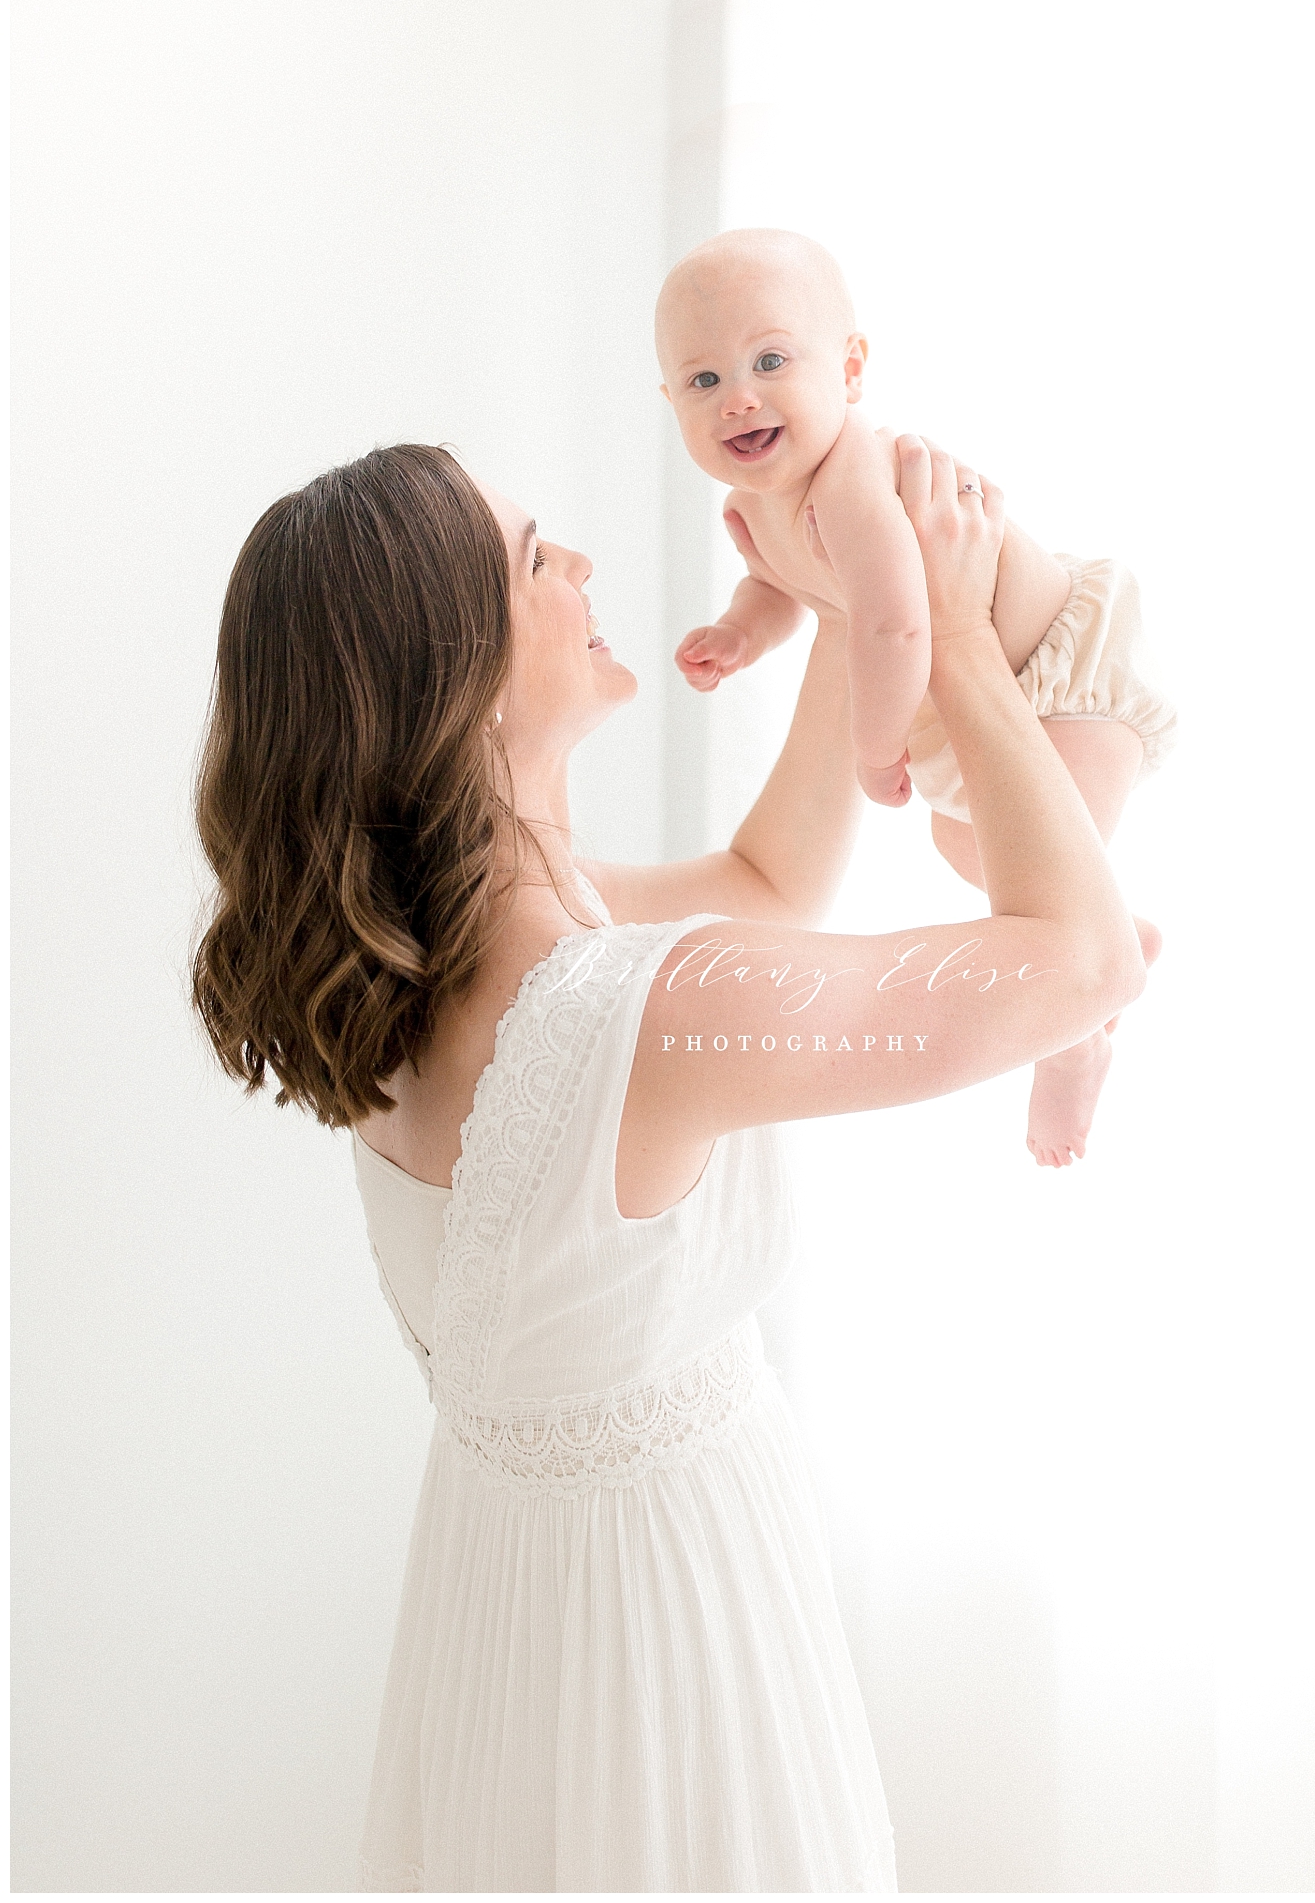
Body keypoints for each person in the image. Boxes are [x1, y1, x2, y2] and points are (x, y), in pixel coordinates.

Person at [191, 438, 1148, 1892]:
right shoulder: (638, 1014)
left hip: (513, 1617)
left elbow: (770, 884)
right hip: (666, 1634)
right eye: (530, 558)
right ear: (454, 680)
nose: (576, 567)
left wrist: (845, 592)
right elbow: (1077, 962)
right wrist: (950, 636)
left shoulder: (408, 971)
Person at [658, 227, 1173, 1166]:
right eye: (702, 382)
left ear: (850, 368)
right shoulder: (750, 505)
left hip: (1064, 684)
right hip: (987, 713)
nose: (738, 397)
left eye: (771, 361)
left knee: (1040, 923)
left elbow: (896, 624)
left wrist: (873, 749)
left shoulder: (853, 475)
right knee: (959, 841)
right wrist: (740, 632)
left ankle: (1076, 1039)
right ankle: (1110, 943)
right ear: (671, 404)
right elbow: (782, 590)